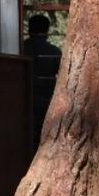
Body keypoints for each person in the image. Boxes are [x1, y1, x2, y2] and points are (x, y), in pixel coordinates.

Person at [22, 14, 62, 151]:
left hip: (22, 99)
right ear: (47, 30)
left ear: (29, 29)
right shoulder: (55, 52)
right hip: (46, 100)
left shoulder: (19, 49)